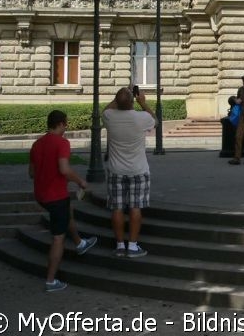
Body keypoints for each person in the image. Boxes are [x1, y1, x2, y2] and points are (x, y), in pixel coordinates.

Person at [29, 110, 97, 292]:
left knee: (69, 212)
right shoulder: (62, 143)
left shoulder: (37, 144)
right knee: (58, 238)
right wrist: (80, 181)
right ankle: (51, 281)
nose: (66, 127)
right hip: (55, 196)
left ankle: (80, 243)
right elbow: (64, 169)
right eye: (65, 124)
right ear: (60, 124)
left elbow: (31, 173)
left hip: (41, 195)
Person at [102, 87, 156, 258]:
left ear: (117, 102)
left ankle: (119, 245)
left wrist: (117, 99)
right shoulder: (141, 118)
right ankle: (132, 246)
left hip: (115, 170)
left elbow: (105, 109)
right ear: (133, 101)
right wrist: (143, 103)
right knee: (135, 207)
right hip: (138, 170)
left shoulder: (109, 117)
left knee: (117, 208)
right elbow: (156, 120)